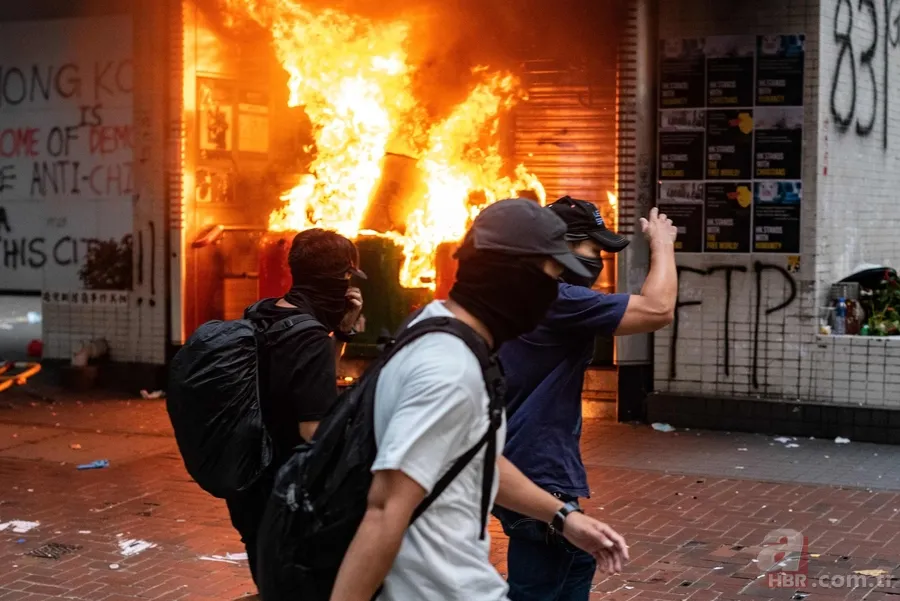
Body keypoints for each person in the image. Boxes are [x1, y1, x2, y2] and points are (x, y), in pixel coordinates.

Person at [329, 198, 629, 601]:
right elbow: (384, 511)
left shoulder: (434, 326)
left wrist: (562, 517)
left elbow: (472, 456)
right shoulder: (450, 369)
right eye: (552, 278)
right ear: (515, 279)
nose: (553, 295)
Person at [495, 196, 678, 601]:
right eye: (593, 250)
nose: (599, 262)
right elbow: (659, 309)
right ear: (561, 246)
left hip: (514, 458)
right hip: (536, 468)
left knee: (575, 558)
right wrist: (663, 245)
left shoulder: (518, 292)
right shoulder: (556, 299)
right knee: (538, 584)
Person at [226, 228, 365, 585]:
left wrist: (342, 333)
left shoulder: (260, 313)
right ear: (338, 278)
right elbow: (312, 432)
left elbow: (305, 378)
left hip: (246, 477)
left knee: (267, 574)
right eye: (348, 276)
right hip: (284, 491)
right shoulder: (311, 338)